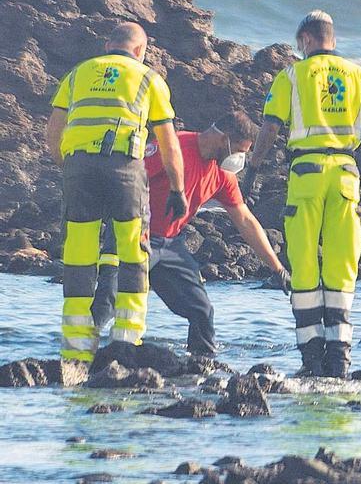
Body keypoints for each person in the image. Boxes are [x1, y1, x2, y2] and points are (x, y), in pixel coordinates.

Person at [241, 10, 361, 378]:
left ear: (304, 40)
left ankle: (311, 360)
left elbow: (270, 129)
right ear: (332, 38)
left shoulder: (292, 75)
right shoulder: (360, 76)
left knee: (304, 267)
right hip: (346, 178)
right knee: (342, 267)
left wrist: (252, 171)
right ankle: (339, 360)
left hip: (305, 175)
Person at [91, 111, 291, 356]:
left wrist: (277, 268)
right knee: (106, 305)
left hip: (170, 245)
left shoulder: (222, 174)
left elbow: (245, 220)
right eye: (240, 150)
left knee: (202, 311)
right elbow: (127, 181)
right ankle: (79, 358)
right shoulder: (173, 148)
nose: (241, 158)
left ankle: (201, 368)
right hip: (133, 235)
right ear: (224, 139)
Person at [46, 22, 187, 362]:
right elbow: (168, 143)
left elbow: (53, 131)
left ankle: (76, 350)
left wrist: (68, 168)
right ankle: (126, 341)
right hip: (124, 169)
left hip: (79, 168)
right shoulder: (148, 77)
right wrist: (178, 188)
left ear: (108, 44)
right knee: (133, 252)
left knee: (79, 254)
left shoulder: (78, 73)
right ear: (141, 50)